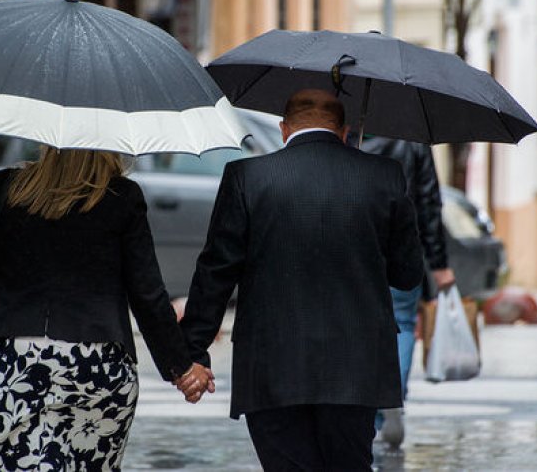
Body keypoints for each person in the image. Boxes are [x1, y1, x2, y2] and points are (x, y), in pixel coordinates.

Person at [176, 89, 425, 470]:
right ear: (343, 132)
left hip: (272, 367)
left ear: (282, 129)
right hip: (355, 368)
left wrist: (192, 353)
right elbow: (407, 275)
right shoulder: (383, 176)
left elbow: (216, 272)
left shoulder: (247, 177)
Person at [0, 147, 212, 470]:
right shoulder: (121, 197)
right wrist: (181, 367)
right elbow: (147, 295)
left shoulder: (6, 187)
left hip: (22, 361)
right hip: (100, 365)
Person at [358, 136, 456, 449]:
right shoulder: (412, 135)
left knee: (357, 327)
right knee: (400, 324)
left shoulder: (347, 132)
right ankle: (392, 398)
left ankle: (368, 410)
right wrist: (439, 263)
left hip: (356, 250)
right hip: (403, 249)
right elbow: (429, 201)